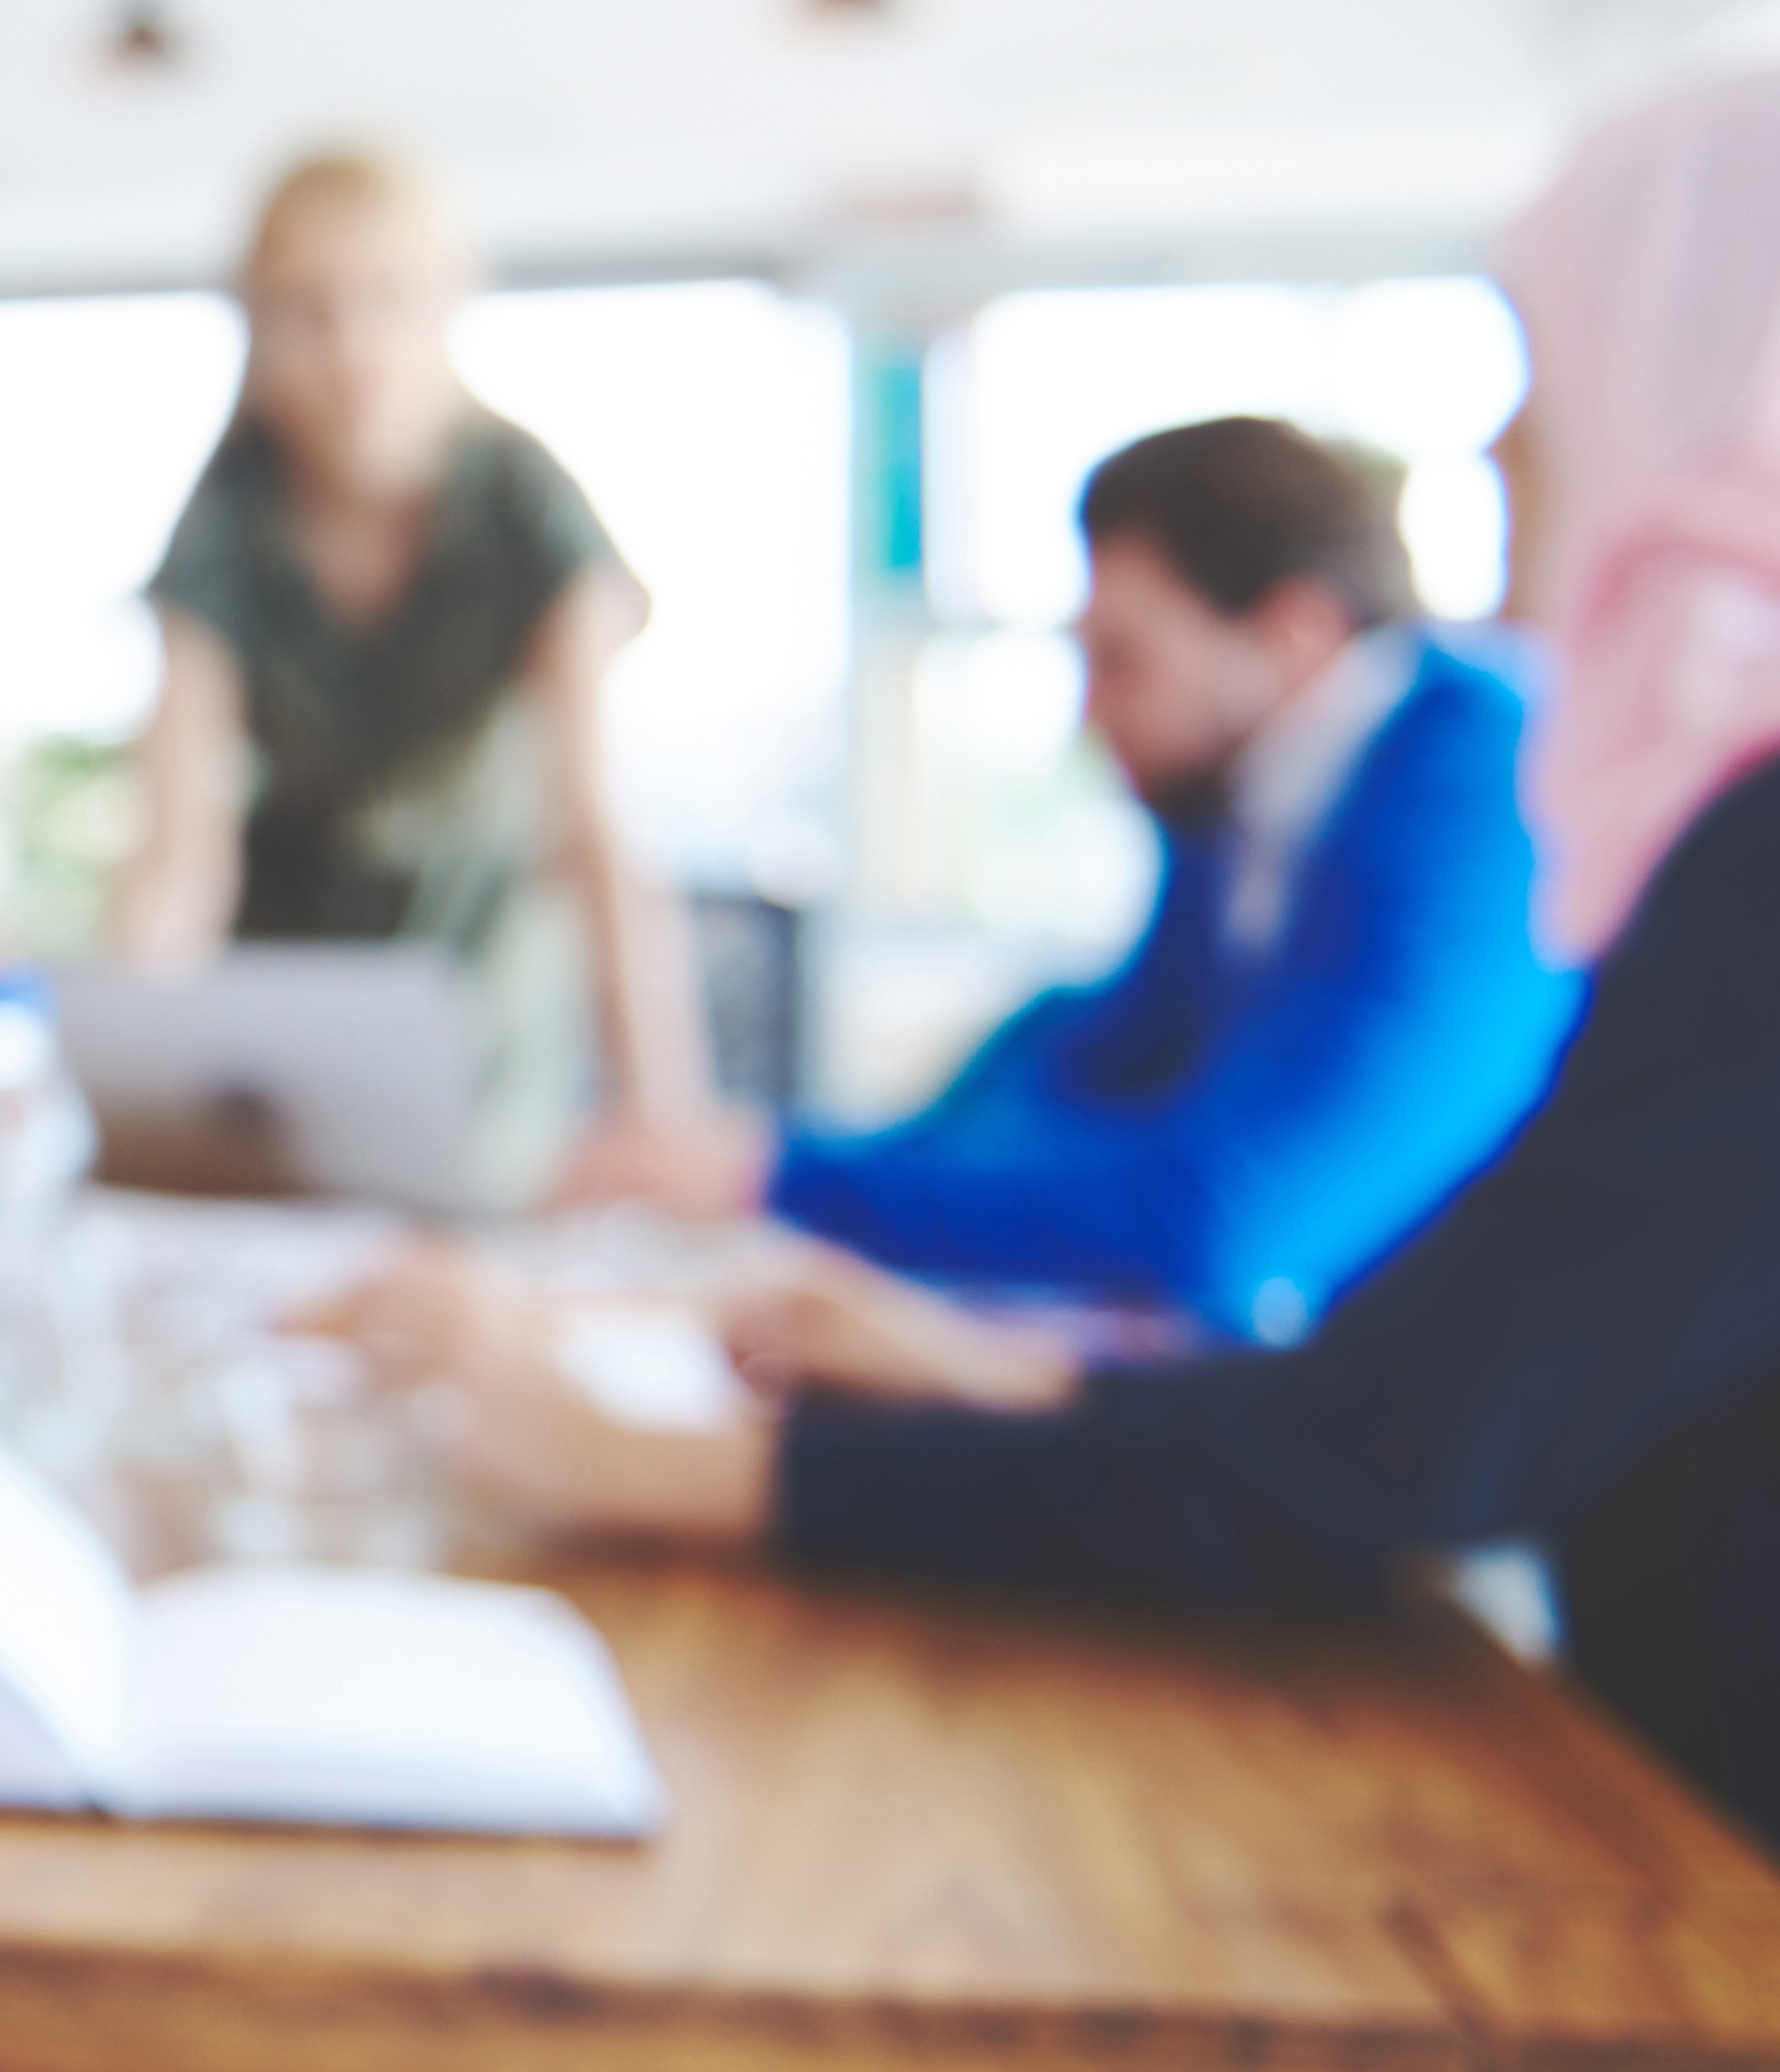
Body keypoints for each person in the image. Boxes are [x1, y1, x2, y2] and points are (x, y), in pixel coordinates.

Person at [319, 68, 1780, 1844]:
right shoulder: (1308, 807)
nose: (1502, 452)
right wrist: (969, 1346)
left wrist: (667, 1453)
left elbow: (1335, 1347)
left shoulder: (1582, 817)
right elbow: (1089, 1078)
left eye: (1554, 375)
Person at [589, 417, 1583, 1346]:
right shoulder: (1242, 797)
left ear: (1295, 631)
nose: (1090, 716)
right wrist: (789, 1176)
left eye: (1122, 660)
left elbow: (1226, 1220)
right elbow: (1093, 1065)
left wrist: (777, 1179)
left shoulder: (1485, 782)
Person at [103, 145, 745, 1208]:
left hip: (478, 1012)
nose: (352, 346)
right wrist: (128, 1099)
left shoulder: (527, 506)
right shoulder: (226, 511)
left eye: (386, 300)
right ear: (256, 325)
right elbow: (179, 852)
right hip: (283, 1033)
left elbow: (587, 833)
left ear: (450, 303)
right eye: (306, 310)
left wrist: (667, 1128)